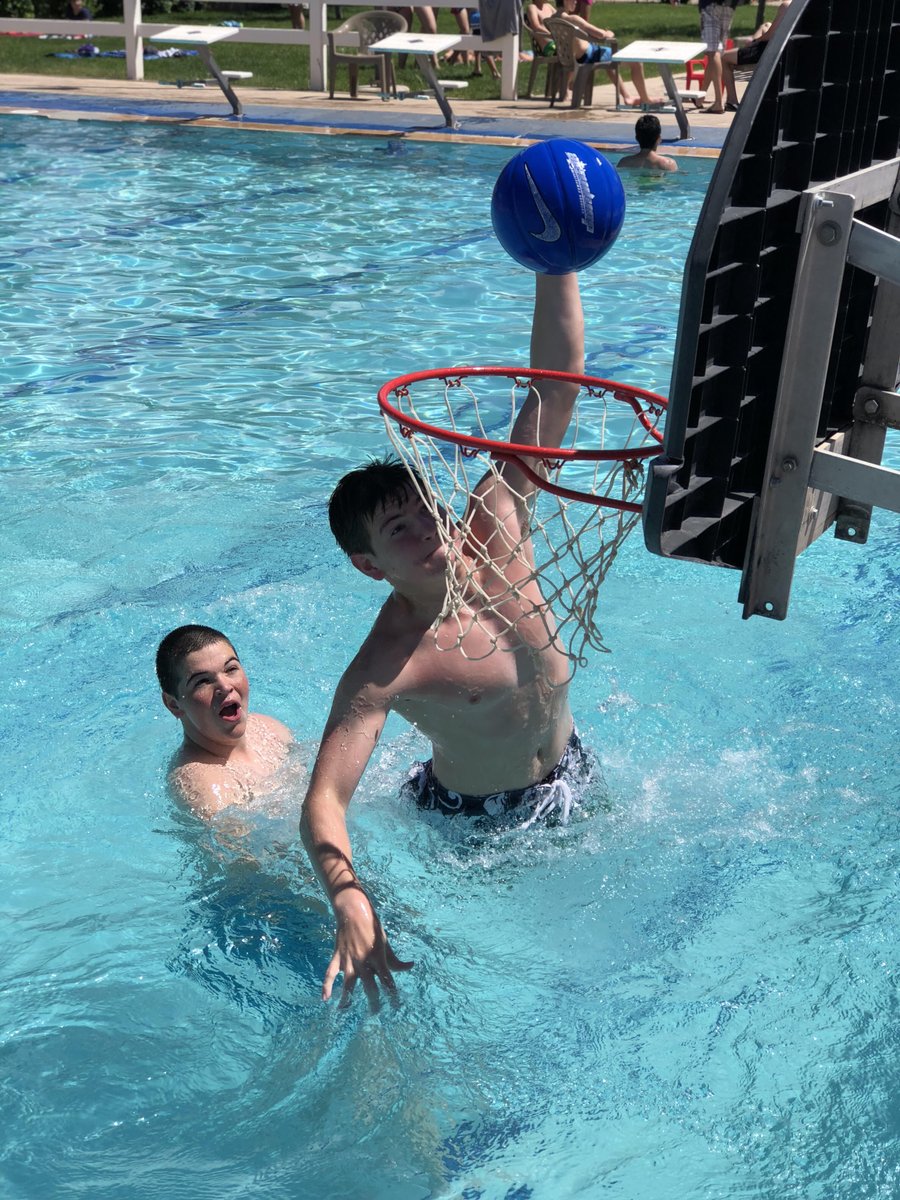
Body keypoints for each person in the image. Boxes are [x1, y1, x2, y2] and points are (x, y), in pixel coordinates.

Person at [301, 269, 598, 1008]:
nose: (426, 531)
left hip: (573, 776)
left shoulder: (498, 524)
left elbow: (554, 391)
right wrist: (348, 896)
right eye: (397, 531)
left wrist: (554, 263)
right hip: (477, 834)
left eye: (424, 512)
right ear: (369, 566)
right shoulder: (385, 666)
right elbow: (324, 802)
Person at [157, 624, 296, 819]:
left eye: (231, 669)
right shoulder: (202, 784)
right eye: (202, 681)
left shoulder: (270, 728)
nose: (225, 686)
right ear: (174, 705)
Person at [550, 0, 658, 108]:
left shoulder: (552, 19)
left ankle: (627, 97)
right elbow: (600, 34)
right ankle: (645, 99)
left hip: (572, 57)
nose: (576, 2)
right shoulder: (573, 19)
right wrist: (609, 33)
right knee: (636, 61)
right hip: (590, 55)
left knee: (608, 60)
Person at [722, 0, 792, 110]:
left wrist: (756, 41)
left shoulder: (786, 5)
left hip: (768, 51)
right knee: (766, 25)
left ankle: (732, 100)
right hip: (785, 48)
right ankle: (749, 44)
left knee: (724, 57)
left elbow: (770, 36)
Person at [696, 0, 739, 114]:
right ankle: (701, 97)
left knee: (713, 52)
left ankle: (718, 103)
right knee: (716, 53)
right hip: (729, 5)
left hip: (711, 4)